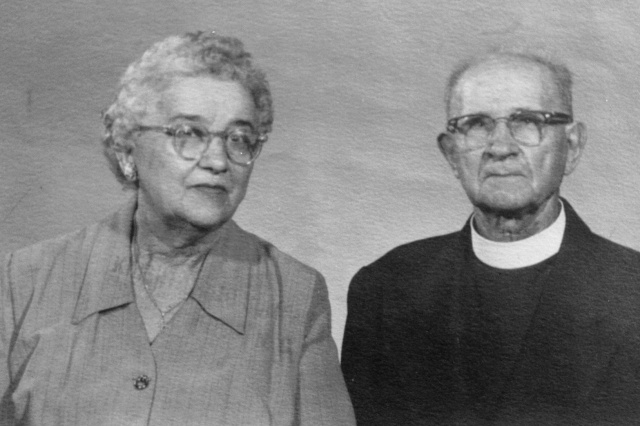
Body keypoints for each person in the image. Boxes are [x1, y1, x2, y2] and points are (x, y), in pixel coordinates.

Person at [0, 31, 355, 425]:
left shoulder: (295, 297)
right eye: (189, 133)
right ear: (126, 147)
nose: (218, 160)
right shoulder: (23, 281)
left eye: (239, 139)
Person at [341, 50, 640, 424]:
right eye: (477, 125)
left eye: (527, 121)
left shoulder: (633, 290)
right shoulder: (386, 290)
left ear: (573, 146)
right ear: (451, 154)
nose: (500, 147)